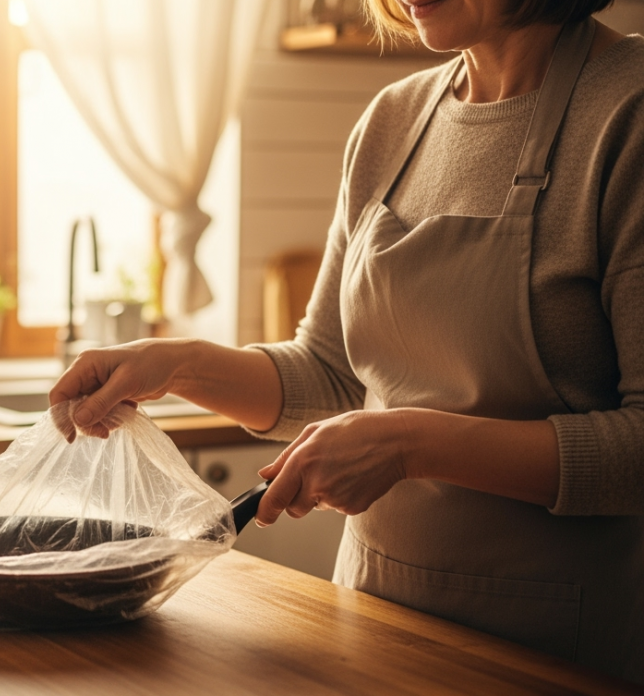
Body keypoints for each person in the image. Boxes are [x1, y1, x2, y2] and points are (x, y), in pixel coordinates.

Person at [48, 0, 644, 681]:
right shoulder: (394, 120)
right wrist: (175, 364)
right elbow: (331, 374)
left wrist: (410, 445)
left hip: (554, 649)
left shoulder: (628, 111)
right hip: (374, 617)